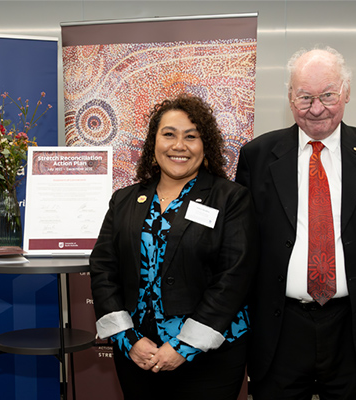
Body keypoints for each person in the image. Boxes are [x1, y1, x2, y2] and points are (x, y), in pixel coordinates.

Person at [235, 46, 356, 399]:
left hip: (354, 326)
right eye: (305, 97)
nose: (317, 108)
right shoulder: (257, 156)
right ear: (290, 98)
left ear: (346, 92)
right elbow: (241, 252)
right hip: (280, 326)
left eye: (328, 95)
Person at [90, 94, 258, 399]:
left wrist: (184, 346)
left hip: (210, 356)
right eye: (169, 134)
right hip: (139, 352)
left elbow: (234, 278)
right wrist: (128, 339)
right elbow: (103, 268)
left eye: (191, 137)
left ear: (205, 146)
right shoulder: (125, 199)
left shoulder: (230, 198)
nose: (178, 145)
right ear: (153, 143)